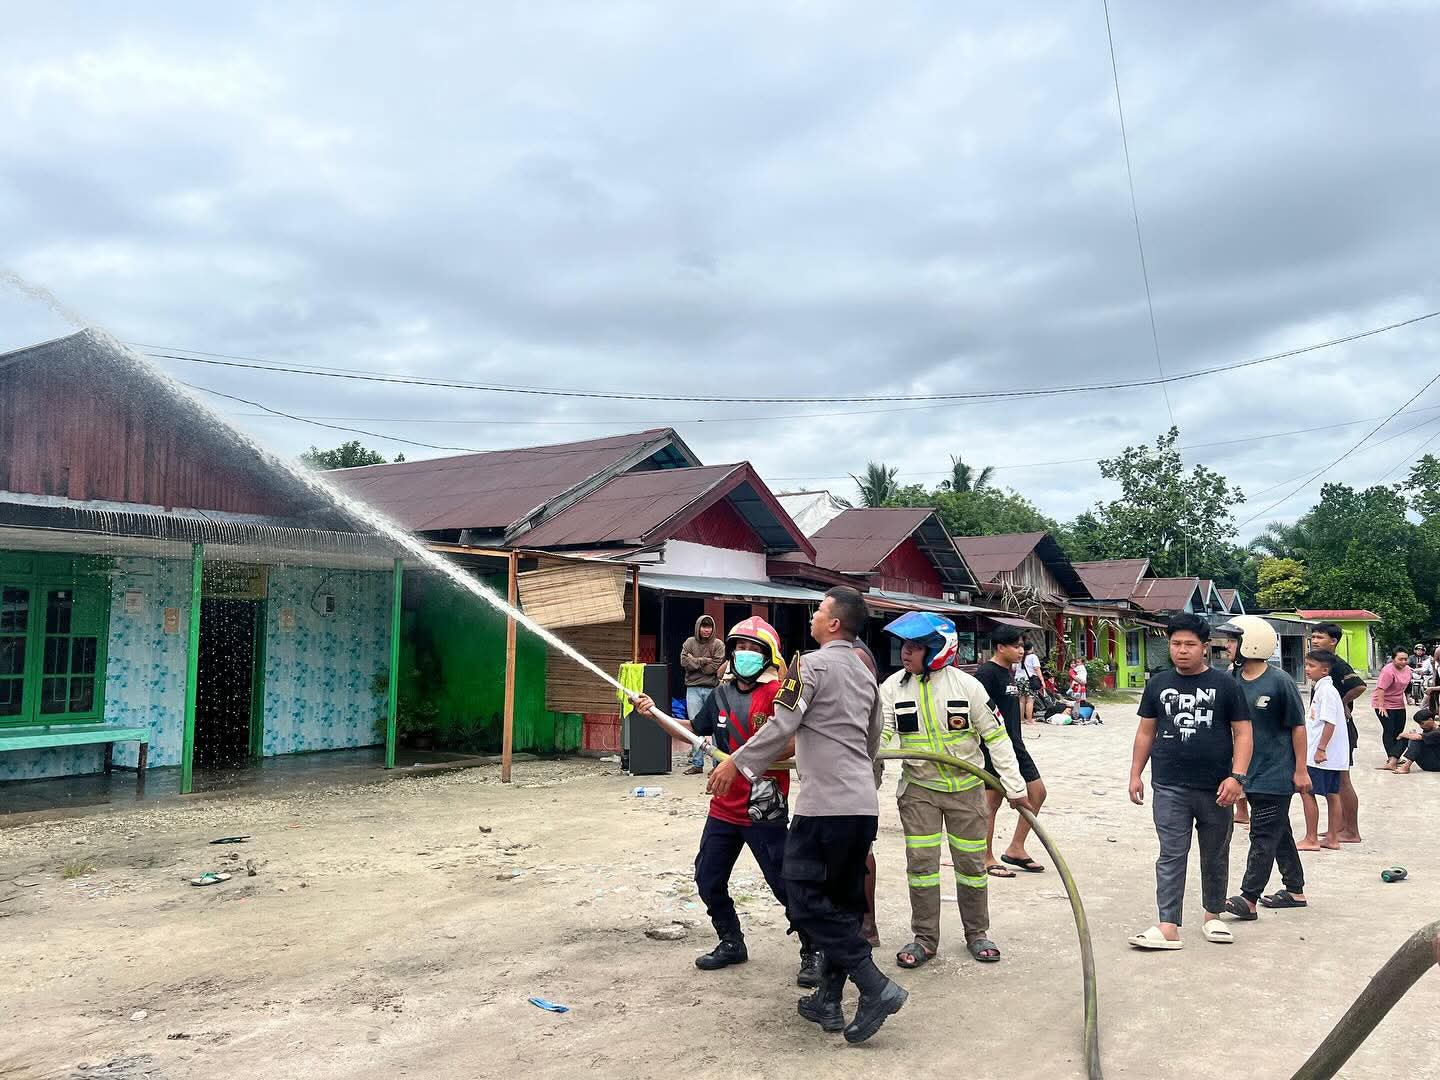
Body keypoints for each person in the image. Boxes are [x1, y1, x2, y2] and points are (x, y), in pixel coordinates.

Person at [709, 586, 906, 1045]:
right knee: (840, 903)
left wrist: (735, 762)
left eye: (818, 611)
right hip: (861, 806)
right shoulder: (865, 674)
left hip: (823, 811)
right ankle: (829, 1002)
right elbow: (873, 738)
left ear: (834, 623)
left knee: (800, 898)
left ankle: (873, 985)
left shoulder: (807, 665)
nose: (813, 617)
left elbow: (782, 725)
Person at [633, 617, 819, 986]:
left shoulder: (780, 695)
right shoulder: (720, 693)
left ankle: (813, 949)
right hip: (724, 806)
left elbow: (796, 740)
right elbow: (692, 730)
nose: (745, 655)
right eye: (740, 648)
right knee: (708, 877)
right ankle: (731, 940)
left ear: (768, 656)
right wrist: (654, 713)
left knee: (785, 883)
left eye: (754, 649)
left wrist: (740, 762)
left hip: (764, 805)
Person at [878, 613, 1032, 968]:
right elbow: (883, 734)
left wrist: (1014, 787)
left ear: (936, 649)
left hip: (967, 790)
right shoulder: (893, 688)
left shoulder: (968, 687)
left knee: (971, 866)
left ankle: (977, 933)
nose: (906, 653)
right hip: (919, 790)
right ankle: (924, 939)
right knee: (921, 867)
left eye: (915, 647)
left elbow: (996, 737)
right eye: (905, 645)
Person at [1127, 612, 1253, 950]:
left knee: (1215, 853)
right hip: (1169, 784)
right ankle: (1168, 925)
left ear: (1205, 647)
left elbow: (1242, 732)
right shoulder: (1158, 684)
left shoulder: (1226, 685)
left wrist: (1237, 777)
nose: (1182, 650)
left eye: (1190, 644)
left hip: (1217, 787)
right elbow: (1145, 731)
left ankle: (1213, 916)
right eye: (1176, 643)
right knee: (1171, 853)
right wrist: (1135, 773)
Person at [1216, 616, 1311, 921]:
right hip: (1248, 773)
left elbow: (1298, 727)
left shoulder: (1280, 681)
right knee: (1278, 830)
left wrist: (1300, 770)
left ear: (1251, 643)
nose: (1227, 646)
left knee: (1262, 834)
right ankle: (1295, 890)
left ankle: (1249, 898)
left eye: (1233, 640)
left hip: (1276, 772)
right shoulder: (1232, 680)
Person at [977, 625, 1049, 878]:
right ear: (1000, 647)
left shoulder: (1009, 673)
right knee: (992, 802)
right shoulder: (986, 673)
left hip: (1016, 744)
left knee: (1037, 792)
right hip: (994, 746)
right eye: (1016, 646)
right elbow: (978, 711)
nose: (1021, 651)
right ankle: (985, 857)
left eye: (1022, 646)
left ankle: (1016, 848)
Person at [1307, 623, 1366, 843]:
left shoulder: (1336, 665)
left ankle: (1351, 830)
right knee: (1335, 781)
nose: (1315, 640)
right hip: (1328, 729)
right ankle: (1338, 827)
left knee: (1342, 780)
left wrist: (1342, 703)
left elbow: (1359, 686)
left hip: (1339, 731)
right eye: (1313, 637)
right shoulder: (1321, 663)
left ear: (1333, 641)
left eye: (1320, 637)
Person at [847, 635, 884, 951]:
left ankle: (867, 923)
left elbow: (867, 718)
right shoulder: (830, 655)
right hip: (834, 768)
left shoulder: (856, 654)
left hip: (855, 764)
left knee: (859, 848)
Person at [1299, 649, 1348, 851]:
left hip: (1321, 755)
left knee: (1307, 791)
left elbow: (1329, 722)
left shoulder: (1326, 691)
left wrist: (1320, 749)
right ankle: (1332, 838)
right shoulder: (1325, 689)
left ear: (1325, 670)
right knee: (1332, 794)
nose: (1307, 670)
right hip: (1330, 756)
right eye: (1307, 665)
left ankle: (1312, 838)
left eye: (1312, 666)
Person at [680, 615, 726, 774]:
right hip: (692, 688)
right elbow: (683, 662)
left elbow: (714, 668)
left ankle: (717, 765)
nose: (707, 630)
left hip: (713, 689)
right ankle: (697, 764)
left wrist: (695, 662)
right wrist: (704, 660)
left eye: (709, 627)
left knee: (716, 727)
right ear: (698, 627)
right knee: (695, 726)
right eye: (703, 626)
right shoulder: (689, 642)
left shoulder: (718, 644)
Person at [1372, 648, 1411, 771]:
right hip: (1383, 703)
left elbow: (1408, 685)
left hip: (1398, 703)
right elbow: (1380, 689)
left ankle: (1395, 757)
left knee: (1399, 731)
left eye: (1405, 659)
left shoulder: (1408, 670)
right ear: (1393, 659)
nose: (1403, 661)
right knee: (1389, 730)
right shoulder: (1388, 671)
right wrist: (1381, 706)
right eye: (1400, 659)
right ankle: (1391, 758)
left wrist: (1408, 698)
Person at [1395, 707, 1440, 772]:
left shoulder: (1437, 732)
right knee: (1410, 737)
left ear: (1430, 719)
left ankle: (1406, 767)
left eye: (1422, 723)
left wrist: (1403, 734)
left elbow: (1418, 738)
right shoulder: (1428, 730)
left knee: (1415, 740)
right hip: (1432, 759)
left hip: (1436, 764)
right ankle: (1393, 760)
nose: (1421, 726)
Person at [1021, 641, 1043, 724]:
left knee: (1021, 700)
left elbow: (1013, 668)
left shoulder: (1020, 656)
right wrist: (1042, 680)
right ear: (1031, 648)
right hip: (1029, 680)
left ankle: (1021, 719)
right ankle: (1029, 720)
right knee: (1030, 700)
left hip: (1019, 679)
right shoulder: (1033, 657)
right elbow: (1037, 669)